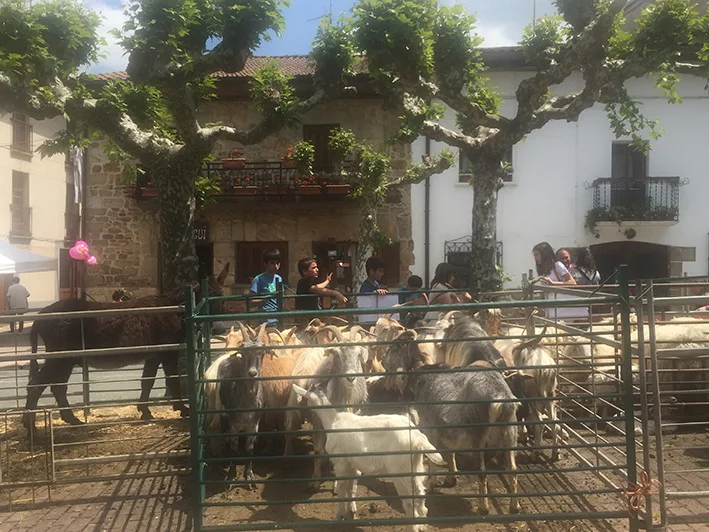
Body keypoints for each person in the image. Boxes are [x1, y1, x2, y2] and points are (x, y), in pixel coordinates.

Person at [249, 248, 283, 322]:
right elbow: (250, 302)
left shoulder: (279, 278)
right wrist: (264, 300)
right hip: (264, 321)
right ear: (265, 264)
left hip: (278, 319)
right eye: (272, 263)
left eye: (277, 263)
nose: (276, 266)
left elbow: (281, 299)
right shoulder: (258, 279)